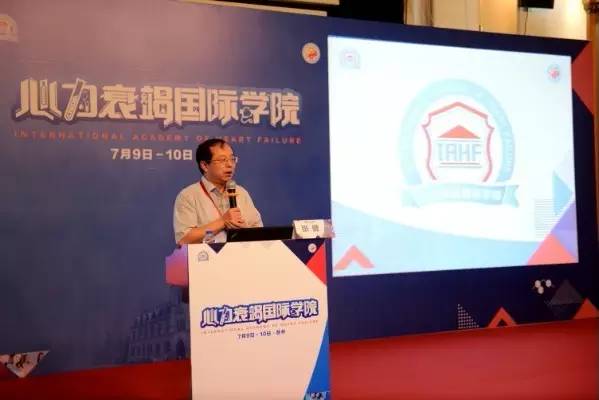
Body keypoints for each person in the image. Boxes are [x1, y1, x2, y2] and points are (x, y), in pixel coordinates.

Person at [173, 138, 262, 244]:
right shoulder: (188, 196)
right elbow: (184, 239)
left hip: (241, 253)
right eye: (222, 160)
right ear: (205, 165)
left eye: (232, 159)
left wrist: (244, 231)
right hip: (206, 254)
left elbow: (260, 233)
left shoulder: (242, 193)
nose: (229, 165)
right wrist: (222, 221)